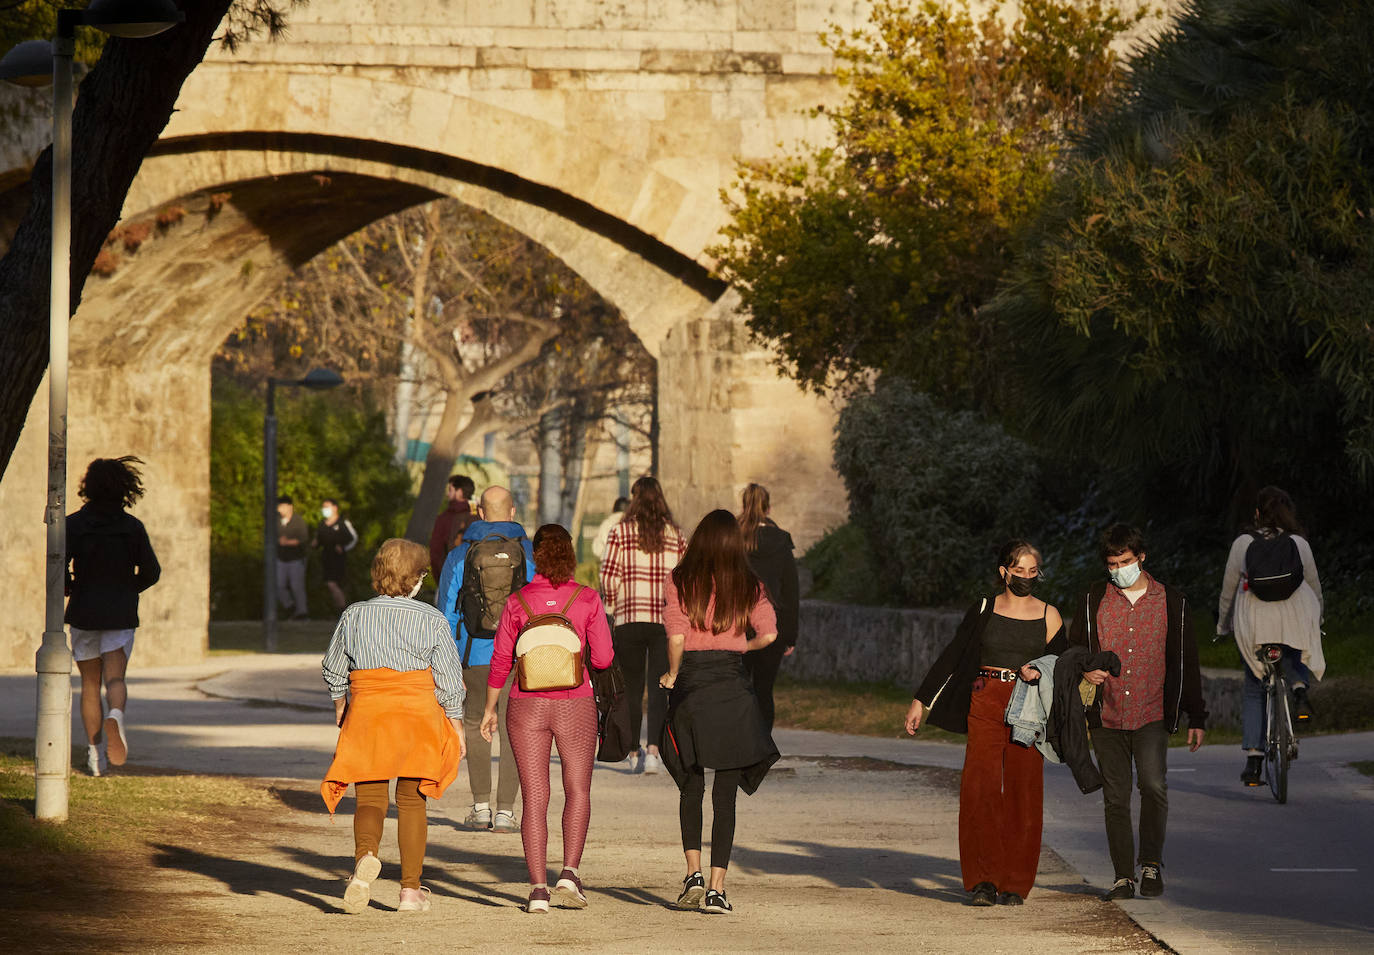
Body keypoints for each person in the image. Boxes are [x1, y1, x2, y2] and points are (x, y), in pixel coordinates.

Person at [904, 540, 1064, 907]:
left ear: (1038, 572)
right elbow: (953, 655)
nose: (1025, 576)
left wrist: (1039, 670)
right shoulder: (984, 609)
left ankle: (1015, 883)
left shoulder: (1050, 615)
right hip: (985, 701)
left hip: (1029, 707)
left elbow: (1063, 667)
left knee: (1024, 793)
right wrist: (921, 700)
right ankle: (983, 881)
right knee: (981, 790)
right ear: (1003, 571)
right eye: (1018, 569)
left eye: (1032, 570)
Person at [321, 538, 466, 914]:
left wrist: (341, 701)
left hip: (369, 711)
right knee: (411, 802)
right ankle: (410, 891)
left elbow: (333, 666)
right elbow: (449, 679)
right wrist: (456, 722)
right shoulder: (432, 619)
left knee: (369, 798)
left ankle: (364, 859)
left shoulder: (353, 614)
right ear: (416, 580)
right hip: (416, 715)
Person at [1068, 524, 1207, 902]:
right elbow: (1075, 649)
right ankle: (1122, 877)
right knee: (1115, 797)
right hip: (1107, 713)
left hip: (1151, 712)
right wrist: (1085, 669)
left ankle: (1150, 864)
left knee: (1153, 786)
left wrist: (1197, 715)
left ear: (1141, 557)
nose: (1118, 570)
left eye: (1125, 561)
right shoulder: (1093, 598)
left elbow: (1185, 659)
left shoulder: (1171, 601)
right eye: (1112, 564)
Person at [481, 524, 614, 914]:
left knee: (534, 796)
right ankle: (569, 874)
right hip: (575, 703)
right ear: (570, 554)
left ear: (535, 556)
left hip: (526, 704)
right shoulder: (587, 598)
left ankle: (538, 890)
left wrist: (490, 708)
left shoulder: (517, 600)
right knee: (578, 789)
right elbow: (604, 659)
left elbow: (502, 661)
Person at [659, 509, 779, 915]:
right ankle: (716, 888)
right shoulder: (749, 584)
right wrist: (741, 647)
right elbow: (770, 633)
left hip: (692, 685)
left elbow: (676, 637)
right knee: (725, 794)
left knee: (691, 784)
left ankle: (691, 876)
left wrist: (672, 674)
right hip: (732, 684)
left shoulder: (679, 580)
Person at [436, 485, 533, 833]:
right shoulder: (528, 552)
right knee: (515, 730)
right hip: (519, 657)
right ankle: (506, 811)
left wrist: (446, 663)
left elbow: (445, 612)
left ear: (479, 512)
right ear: (512, 513)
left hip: (472, 653)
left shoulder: (460, 555)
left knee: (477, 725)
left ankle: (480, 808)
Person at [1217, 486, 1324, 786]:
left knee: (1254, 686)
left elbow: (1228, 590)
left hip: (1255, 620)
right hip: (1295, 616)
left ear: (1256, 514)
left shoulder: (1243, 543)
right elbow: (1314, 586)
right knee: (1297, 647)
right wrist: (1319, 619)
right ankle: (1300, 684)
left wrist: (1222, 625)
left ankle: (1254, 760)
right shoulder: (1298, 543)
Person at [66, 456, 161, 777]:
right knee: (115, 679)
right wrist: (128, 589)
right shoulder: (132, 528)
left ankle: (95, 756)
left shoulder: (74, 525)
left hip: (84, 611)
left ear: (88, 487)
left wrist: (71, 587)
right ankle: (116, 715)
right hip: (119, 612)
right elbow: (152, 571)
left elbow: (57, 565)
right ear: (124, 488)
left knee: (90, 685)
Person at [600, 476, 686, 774]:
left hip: (629, 618)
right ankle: (654, 751)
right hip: (665, 620)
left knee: (633, 687)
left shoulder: (620, 532)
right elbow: (684, 578)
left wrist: (611, 608)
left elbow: (609, 576)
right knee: (661, 685)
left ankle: (633, 749)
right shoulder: (676, 535)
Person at [736, 483, 800, 732]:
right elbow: (791, 591)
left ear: (744, 506)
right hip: (773, 625)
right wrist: (790, 633)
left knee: (739, 688)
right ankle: (761, 746)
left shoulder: (734, 537)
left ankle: (739, 743)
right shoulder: (781, 541)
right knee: (764, 689)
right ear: (768, 507)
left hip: (737, 623)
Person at [314, 498, 359, 614]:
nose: (325, 509)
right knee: (331, 584)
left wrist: (343, 548)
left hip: (339, 559)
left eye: (327, 506)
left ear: (335, 508)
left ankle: (343, 609)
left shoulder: (343, 523)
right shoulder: (322, 525)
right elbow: (318, 541)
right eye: (323, 507)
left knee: (333, 583)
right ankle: (340, 609)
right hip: (326, 559)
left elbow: (353, 538)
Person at [429, 474, 476, 579]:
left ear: (459, 492)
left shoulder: (445, 518)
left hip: (449, 577)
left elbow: (436, 552)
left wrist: (440, 578)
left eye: (450, 490)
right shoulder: (479, 517)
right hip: (475, 582)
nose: (447, 494)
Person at [276, 495, 309, 620]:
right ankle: (290, 606)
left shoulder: (298, 521)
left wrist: (287, 542)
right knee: (278, 585)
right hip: (281, 558)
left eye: (282, 506)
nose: (280, 509)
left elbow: (303, 539)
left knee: (297, 586)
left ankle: (302, 612)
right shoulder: (277, 521)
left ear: (290, 507)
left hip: (296, 559)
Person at [590, 496, 629, 561]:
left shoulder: (606, 524)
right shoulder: (631, 524)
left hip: (608, 561)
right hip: (627, 562)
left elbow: (596, 549)